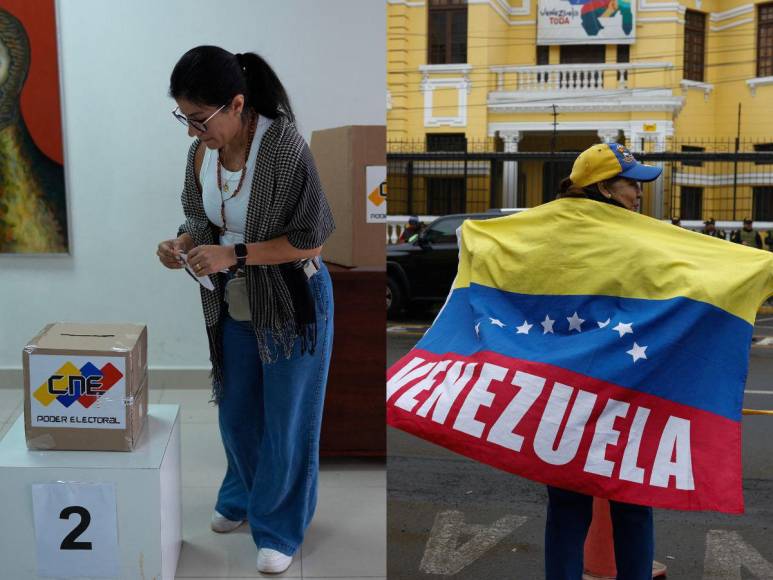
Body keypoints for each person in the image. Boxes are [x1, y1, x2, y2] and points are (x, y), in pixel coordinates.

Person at [156, 46, 335, 574]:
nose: (192, 132)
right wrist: (180, 243)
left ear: (236, 104)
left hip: (291, 300)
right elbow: (198, 215)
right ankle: (242, 493)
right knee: (236, 412)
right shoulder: (201, 154)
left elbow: (312, 241)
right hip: (233, 299)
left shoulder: (283, 149)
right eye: (183, 118)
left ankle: (279, 525)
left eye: (199, 119)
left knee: (287, 420)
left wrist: (232, 253)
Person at [548, 142, 663, 580]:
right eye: (631, 185)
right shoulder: (639, 239)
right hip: (626, 391)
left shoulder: (546, 232)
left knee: (566, 510)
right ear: (604, 189)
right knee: (632, 507)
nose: (639, 194)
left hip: (563, 391)